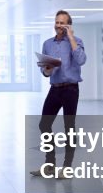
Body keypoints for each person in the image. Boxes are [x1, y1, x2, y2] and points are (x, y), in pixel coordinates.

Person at [31, 10, 86, 178]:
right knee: (44, 125)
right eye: (57, 22)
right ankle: (50, 165)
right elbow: (44, 71)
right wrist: (47, 70)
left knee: (69, 128)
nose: (59, 25)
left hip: (71, 89)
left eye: (62, 23)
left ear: (69, 25)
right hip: (55, 88)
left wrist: (71, 39)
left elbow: (81, 60)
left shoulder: (77, 42)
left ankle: (67, 167)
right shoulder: (48, 44)